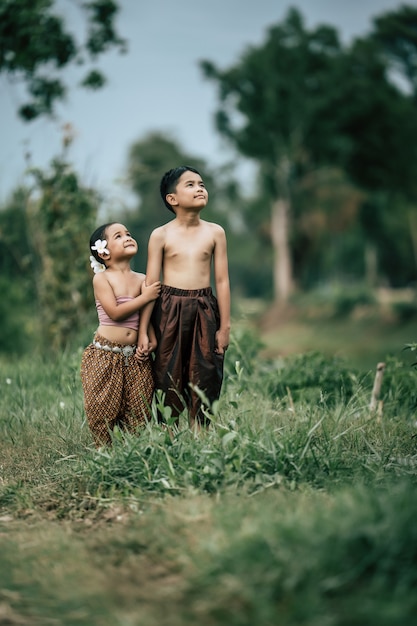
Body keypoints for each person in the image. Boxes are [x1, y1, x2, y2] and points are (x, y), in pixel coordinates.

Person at [139, 166, 231, 429]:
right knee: (167, 373)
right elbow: (150, 284)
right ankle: (170, 437)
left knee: (206, 372)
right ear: (172, 199)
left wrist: (224, 326)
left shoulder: (215, 232)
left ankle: (201, 436)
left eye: (202, 184)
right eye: (190, 184)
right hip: (168, 309)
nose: (200, 188)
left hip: (204, 308)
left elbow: (222, 281)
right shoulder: (161, 235)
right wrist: (144, 330)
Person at [80, 222, 161, 447]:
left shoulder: (143, 279)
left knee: (138, 408)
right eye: (118, 236)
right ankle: (104, 453)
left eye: (128, 233)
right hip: (106, 354)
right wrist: (145, 297)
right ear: (103, 252)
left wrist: (150, 338)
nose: (127, 237)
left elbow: (146, 316)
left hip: (136, 356)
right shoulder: (102, 279)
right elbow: (115, 313)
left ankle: (130, 453)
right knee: (102, 406)